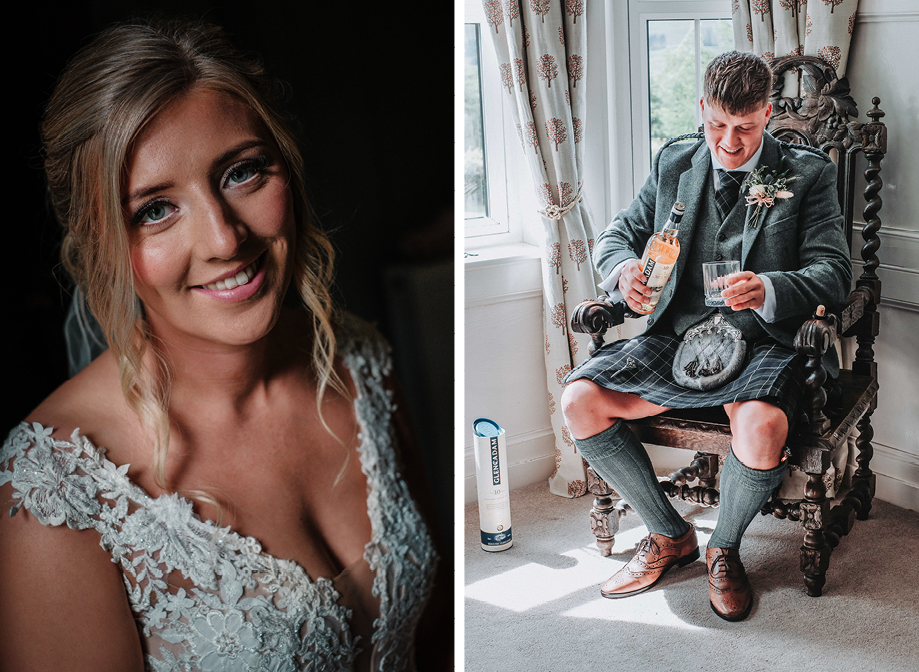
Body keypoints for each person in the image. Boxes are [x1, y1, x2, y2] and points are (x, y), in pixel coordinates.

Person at [0, 19, 446, 670]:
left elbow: (433, 639)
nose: (224, 238)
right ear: (100, 245)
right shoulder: (56, 488)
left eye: (241, 172)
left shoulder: (358, 361)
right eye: (154, 209)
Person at [561, 51, 852, 621]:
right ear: (702, 110)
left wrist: (770, 285)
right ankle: (670, 535)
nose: (729, 142)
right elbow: (619, 233)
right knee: (579, 400)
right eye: (717, 125)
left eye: (745, 128)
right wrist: (624, 271)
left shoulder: (808, 173)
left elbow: (835, 273)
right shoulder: (676, 161)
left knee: (764, 424)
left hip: (764, 340)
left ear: (767, 113)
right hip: (680, 335)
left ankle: (724, 548)